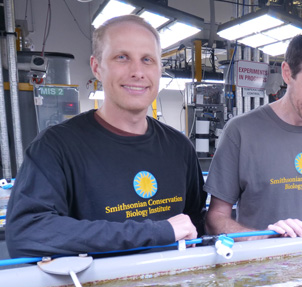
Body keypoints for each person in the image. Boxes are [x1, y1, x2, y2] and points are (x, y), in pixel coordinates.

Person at [6, 15, 206, 257]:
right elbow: (26, 232)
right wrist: (156, 232)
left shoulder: (179, 148)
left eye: (148, 60)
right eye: (122, 57)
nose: (138, 72)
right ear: (96, 67)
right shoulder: (55, 147)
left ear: (159, 70)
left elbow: (195, 224)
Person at [204, 28, 302, 238]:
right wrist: (262, 238)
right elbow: (215, 218)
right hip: (262, 268)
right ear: (287, 73)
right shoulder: (241, 132)